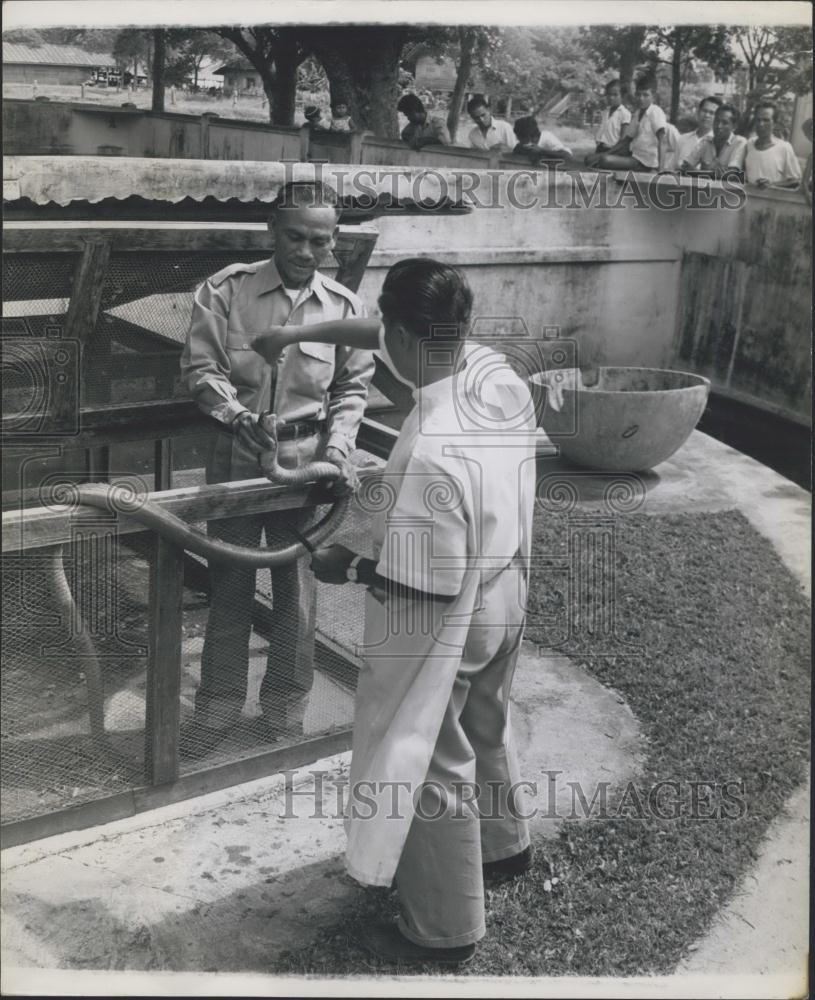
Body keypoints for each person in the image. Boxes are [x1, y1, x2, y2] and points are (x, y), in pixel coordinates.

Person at [254, 259, 538, 966]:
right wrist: (293, 331)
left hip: (451, 610)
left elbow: (420, 590)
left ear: (407, 336)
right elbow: (375, 328)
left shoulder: (435, 450)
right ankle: (504, 850)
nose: (379, 340)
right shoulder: (492, 373)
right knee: (484, 721)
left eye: (387, 330)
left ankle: (444, 929)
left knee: (427, 754)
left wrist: (346, 563)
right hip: (507, 588)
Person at [179, 180, 375, 757]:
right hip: (237, 459)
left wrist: (338, 450)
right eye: (295, 236)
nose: (306, 251)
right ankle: (215, 711)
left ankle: (284, 713)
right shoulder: (225, 291)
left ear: (333, 240)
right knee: (231, 585)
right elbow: (200, 368)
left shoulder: (344, 307)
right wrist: (238, 415)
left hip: (306, 468)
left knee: (296, 595)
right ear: (272, 231)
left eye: (320, 239)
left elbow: (351, 390)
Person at [596, 77, 668, 173]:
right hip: (635, 158)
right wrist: (606, 153)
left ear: (653, 96)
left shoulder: (655, 112)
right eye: (638, 95)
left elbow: (662, 141)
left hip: (646, 163)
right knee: (596, 159)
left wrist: (661, 171)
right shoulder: (638, 113)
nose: (641, 98)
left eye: (645, 95)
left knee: (604, 160)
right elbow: (626, 140)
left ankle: (650, 170)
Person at [743, 101, 803, 189]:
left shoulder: (784, 147)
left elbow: (796, 180)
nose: (761, 124)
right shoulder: (749, 144)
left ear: (774, 123)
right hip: (750, 199)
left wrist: (772, 185)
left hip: (773, 200)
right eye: (758, 120)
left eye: (766, 120)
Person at [681, 103, 747, 178]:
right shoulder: (705, 142)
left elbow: (731, 175)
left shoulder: (739, 142)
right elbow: (685, 168)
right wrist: (713, 174)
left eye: (724, 123)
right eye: (716, 121)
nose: (719, 126)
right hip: (706, 188)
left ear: (734, 126)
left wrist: (697, 172)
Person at [666, 96, 721, 172]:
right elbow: (671, 168)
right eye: (704, 111)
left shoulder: (718, 143)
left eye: (712, 113)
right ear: (698, 112)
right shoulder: (683, 139)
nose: (707, 115)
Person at [587, 79, 632, 164]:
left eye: (615, 95)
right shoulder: (606, 112)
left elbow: (623, 140)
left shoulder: (625, 114)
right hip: (601, 148)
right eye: (609, 94)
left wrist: (608, 153)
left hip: (614, 150)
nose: (611, 97)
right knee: (588, 159)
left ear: (622, 96)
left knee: (602, 160)